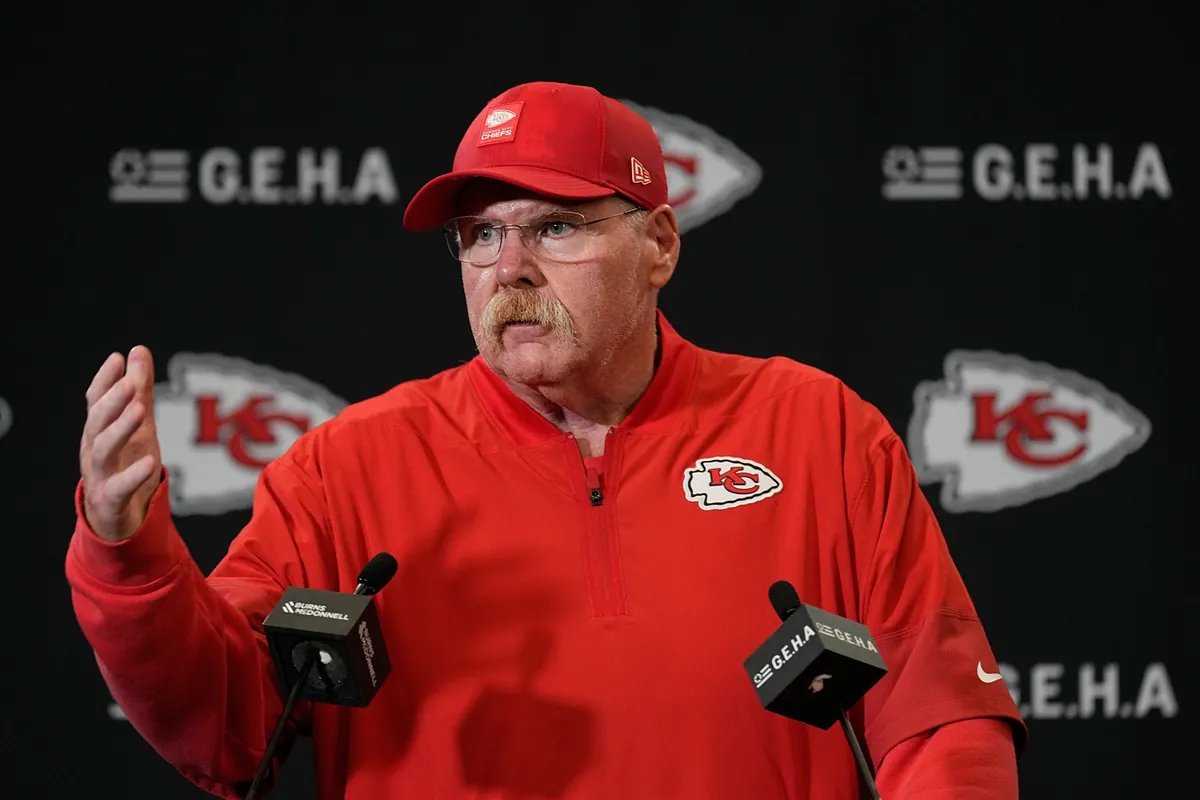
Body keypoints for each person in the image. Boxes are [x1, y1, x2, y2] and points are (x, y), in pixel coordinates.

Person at [66, 80, 1027, 799]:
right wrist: (127, 553)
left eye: (554, 226)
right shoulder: (346, 470)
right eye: (480, 236)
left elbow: (941, 724)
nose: (508, 268)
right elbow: (229, 726)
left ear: (658, 245)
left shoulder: (818, 432)